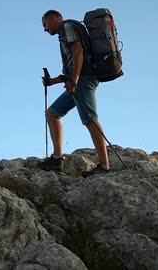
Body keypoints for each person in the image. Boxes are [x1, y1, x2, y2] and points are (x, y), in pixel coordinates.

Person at [39, 10, 111, 176]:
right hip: (78, 80)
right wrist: (52, 81)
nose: (45, 29)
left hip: (84, 79)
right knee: (52, 113)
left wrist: (75, 80)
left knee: (90, 120)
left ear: (54, 18)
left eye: (45, 24)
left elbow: (78, 51)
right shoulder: (65, 31)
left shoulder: (67, 26)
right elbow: (70, 66)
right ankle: (57, 159)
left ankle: (105, 166)